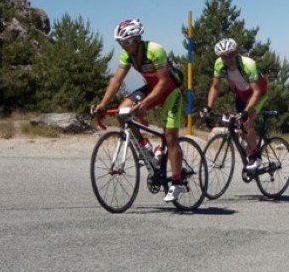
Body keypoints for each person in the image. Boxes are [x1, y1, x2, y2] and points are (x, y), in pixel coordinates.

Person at [91, 19, 187, 203]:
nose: (123, 46)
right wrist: (102, 104)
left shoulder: (155, 50)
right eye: (120, 42)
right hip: (151, 88)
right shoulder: (128, 55)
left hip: (170, 91)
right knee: (122, 112)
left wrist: (145, 103)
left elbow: (164, 81)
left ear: (137, 39)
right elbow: (116, 81)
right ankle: (146, 148)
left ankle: (177, 181)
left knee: (170, 137)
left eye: (126, 42)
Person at [202, 38, 269, 173]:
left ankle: (256, 157)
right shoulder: (219, 65)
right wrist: (208, 106)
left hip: (258, 93)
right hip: (240, 94)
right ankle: (248, 145)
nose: (229, 58)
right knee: (239, 128)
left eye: (231, 54)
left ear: (236, 52)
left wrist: (246, 112)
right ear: (221, 57)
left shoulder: (248, 64)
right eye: (225, 56)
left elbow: (256, 92)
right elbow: (215, 87)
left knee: (246, 121)